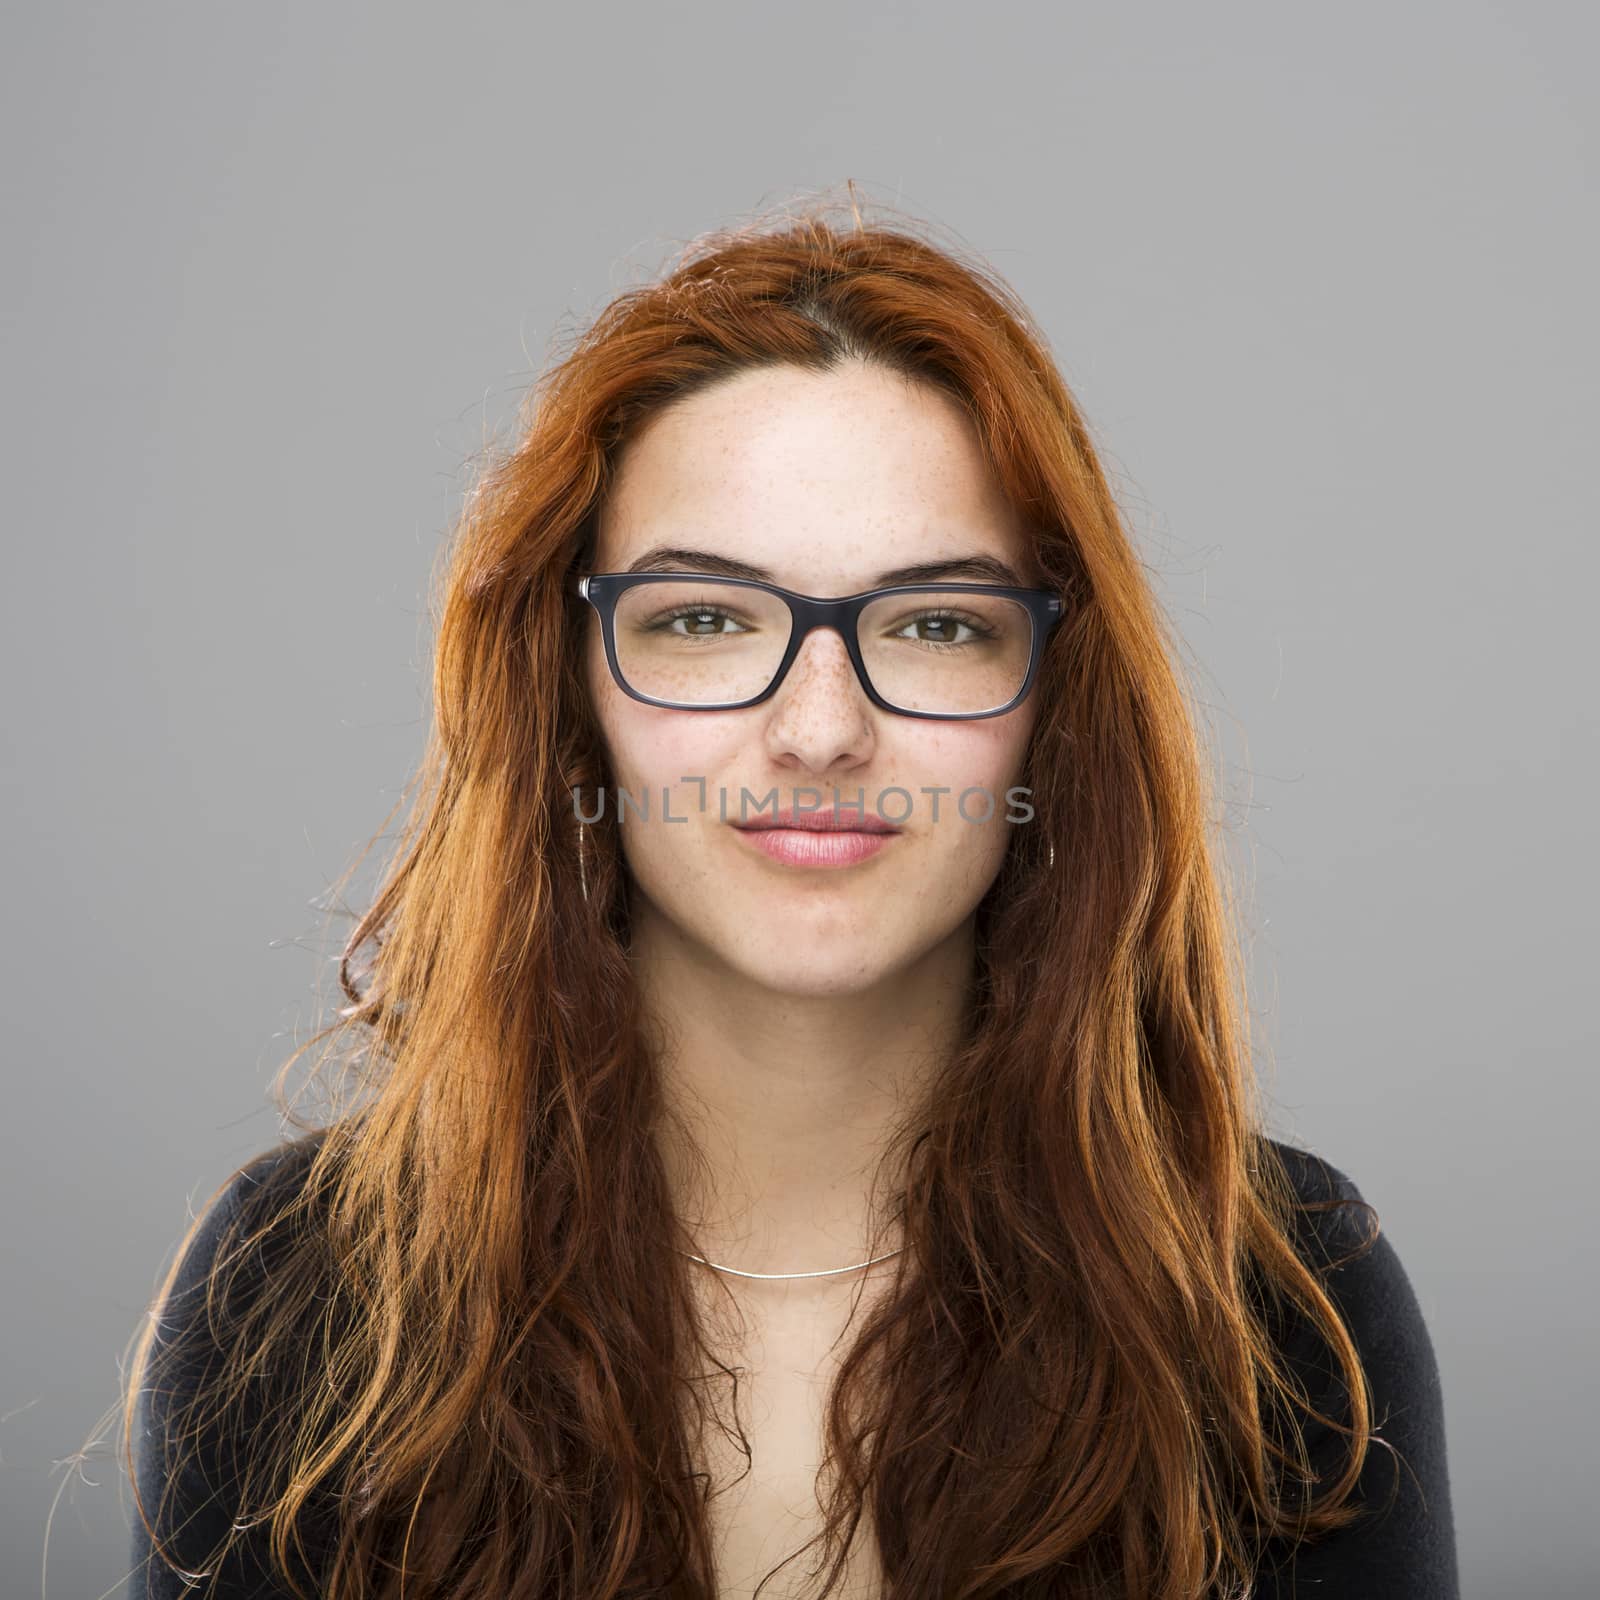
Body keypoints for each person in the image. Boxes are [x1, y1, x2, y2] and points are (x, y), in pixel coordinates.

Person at [123, 194, 1458, 1599]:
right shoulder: (299, 1294)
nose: (821, 730)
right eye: (703, 618)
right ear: (570, 694)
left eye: (938, 625)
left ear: (1052, 705)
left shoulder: (1283, 1300)